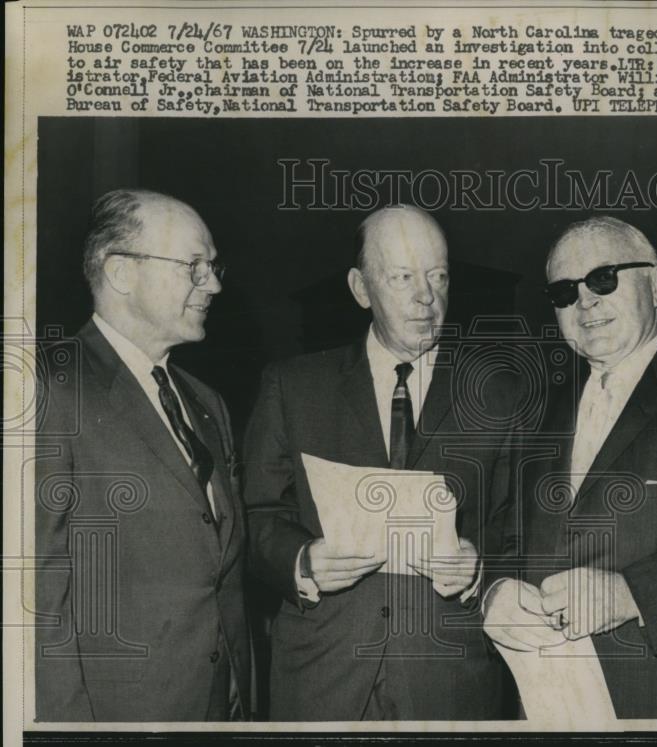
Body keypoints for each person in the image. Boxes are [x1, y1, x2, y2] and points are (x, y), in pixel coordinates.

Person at [482, 216, 657, 718]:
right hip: (546, 703)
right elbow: (507, 539)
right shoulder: (536, 414)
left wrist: (632, 593)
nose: (585, 301)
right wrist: (495, 592)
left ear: (656, 284)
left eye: (603, 279)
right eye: (564, 291)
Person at [243, 204, 520, 720]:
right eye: (402, 277)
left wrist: (479, 566)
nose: (426, 297)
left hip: (448, 679)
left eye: (439, 276)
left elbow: (522, 530)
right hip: (321, 675)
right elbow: (257, 516)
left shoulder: (499, 394)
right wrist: (300, 562)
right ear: (360, 287)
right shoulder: (293, 386)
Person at [34, 189, 251, 721]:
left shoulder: (207, 403)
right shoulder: (49, 384)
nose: (215, 284)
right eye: (194, 266)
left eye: (214, 266)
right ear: (121, 273)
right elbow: (35, 593)